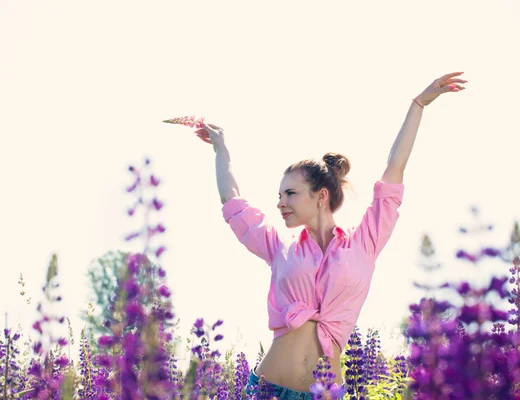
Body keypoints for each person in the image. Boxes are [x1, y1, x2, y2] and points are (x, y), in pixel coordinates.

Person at [193, 72, 466, 399]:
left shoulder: (364, 242)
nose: (280, 203)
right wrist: (221, 150)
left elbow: (394, 171)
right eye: (279, 196)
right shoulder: (277, 245)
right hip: (265, 390)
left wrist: (419, 104)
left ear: (320, 196)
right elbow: (232, 201)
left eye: (290, 194)